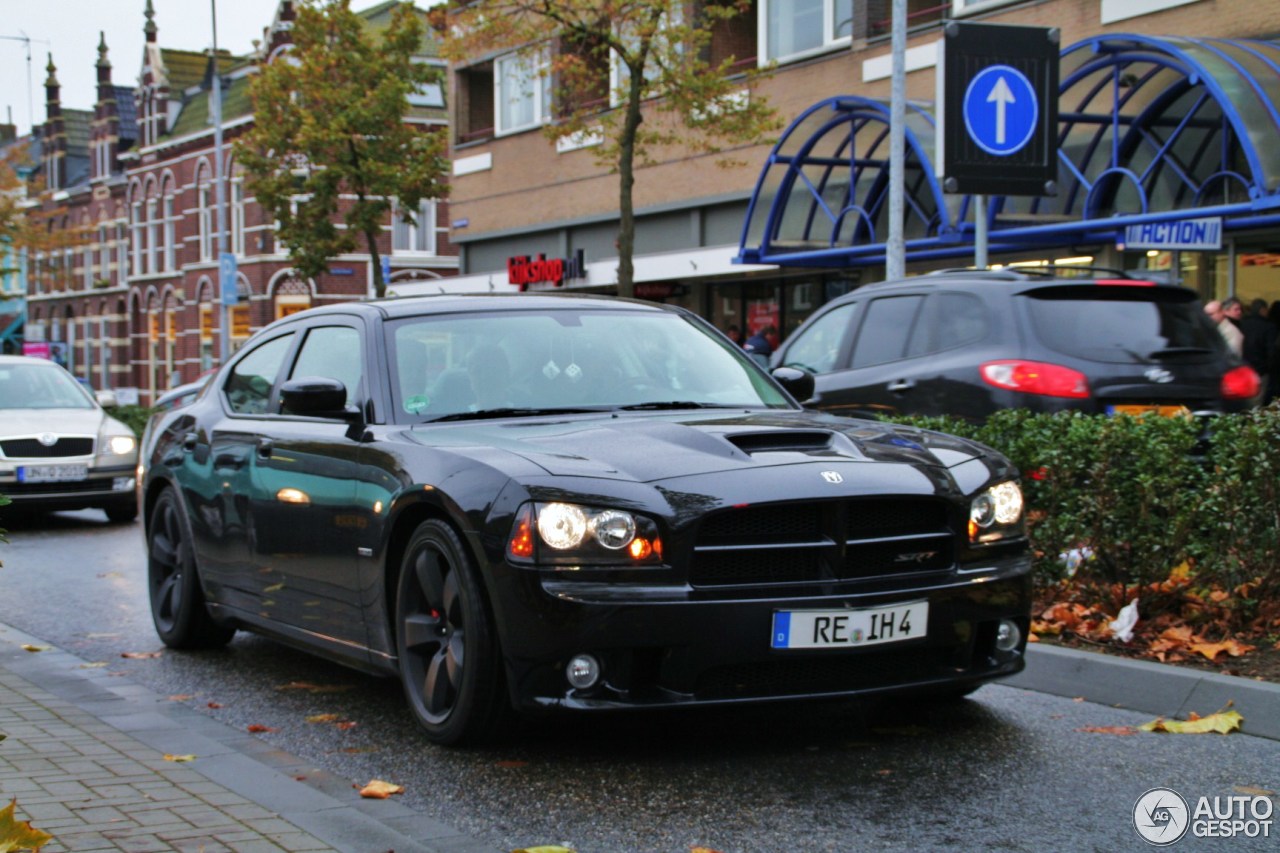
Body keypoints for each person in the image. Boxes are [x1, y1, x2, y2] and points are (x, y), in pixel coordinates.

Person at [1232, 298, 1277, 391]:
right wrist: (1268, 368)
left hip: (1242, 369)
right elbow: (1271, 352)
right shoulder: (1268, 327)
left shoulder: (1241, 324)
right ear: (1263, 310)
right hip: (1260, 371)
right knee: (1257, 401)